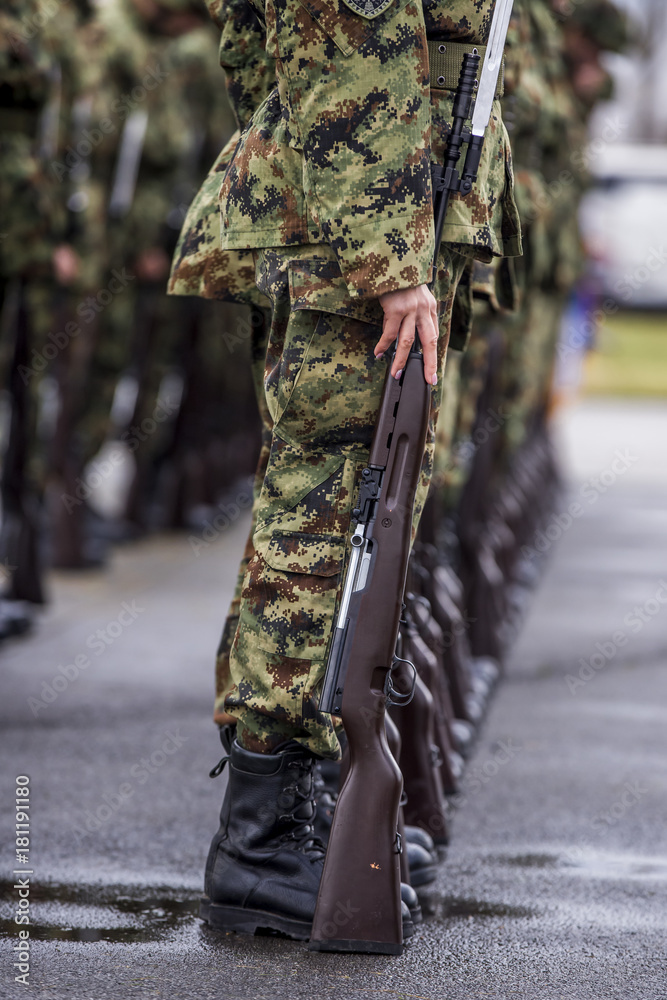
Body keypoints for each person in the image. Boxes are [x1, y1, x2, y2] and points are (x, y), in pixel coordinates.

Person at [171, 0, 521, 939]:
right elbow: (340, 46)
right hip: (359, 246)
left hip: (378, 223)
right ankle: (260, 838)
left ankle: (302, 796)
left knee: (346, 525)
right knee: (322, 527)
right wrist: (385, 258)